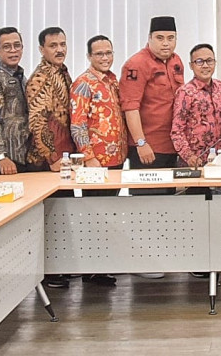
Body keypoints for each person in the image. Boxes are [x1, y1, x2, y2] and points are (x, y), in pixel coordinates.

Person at [70, 34, 127, 287]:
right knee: (94, 215)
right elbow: (78, 124)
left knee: (107, 213)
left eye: (109, 53)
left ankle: (102, 264)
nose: (105, 58)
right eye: (99, 54)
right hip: (96, 161)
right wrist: (89, 156)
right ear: (89, 56)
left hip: (116, 158)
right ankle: (91, 269)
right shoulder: (83, 83)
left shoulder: (113, 81)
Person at [120, 16, 185, 173]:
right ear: (149, 38)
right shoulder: (136, 64)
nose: (165, 43)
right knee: (148, 197)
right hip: (148, 147)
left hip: (172, 145)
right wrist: (140, 143)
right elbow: (130, 108)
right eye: (159, 38)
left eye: (171, 38)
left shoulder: (176, 61)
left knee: (170, 196)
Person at [0, 27, 36, 176]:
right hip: (5, 159)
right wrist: (2, 156)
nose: (13, 50)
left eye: (17, 45)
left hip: (24, 154)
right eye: (7, 47)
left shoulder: (22, 77)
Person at [171, 44, 221, 167]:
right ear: (191, 66)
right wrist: (189, 156)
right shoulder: (185, 92)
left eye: (209, 61)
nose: (205, 65)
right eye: (199, 61)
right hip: (194, 160)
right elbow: (177, 130)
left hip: (219, 160)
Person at [26, 26, 75, 172]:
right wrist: (52, 158)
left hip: (63, 154)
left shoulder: (61, 72)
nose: (59, 49)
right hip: (46, 162)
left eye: (63, 44)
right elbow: (37, 122)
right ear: (42, 49)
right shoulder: (40, 78)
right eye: (53, 45)